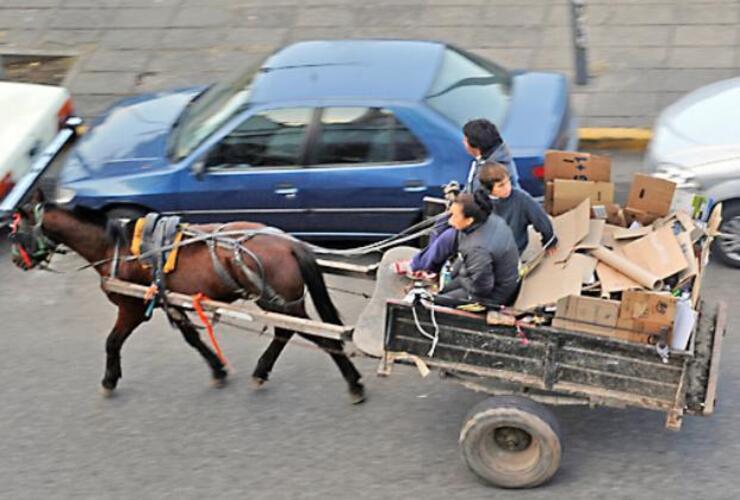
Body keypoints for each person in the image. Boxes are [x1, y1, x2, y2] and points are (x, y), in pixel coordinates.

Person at [437, 192, 520, 306]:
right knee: (445, 288)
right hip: (495, 275)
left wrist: (462, 277)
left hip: (494, 295)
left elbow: (482, 289)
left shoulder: (477, 248)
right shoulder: (491, 219)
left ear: (469, 220)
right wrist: (455, 274)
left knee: (438, 301)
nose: (450, 221)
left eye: (454, 216)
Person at [478, 161, 558, 254]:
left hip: (513, 250)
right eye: (501, 186)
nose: (507, 187)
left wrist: (549, 242)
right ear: (489, 189)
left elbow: (540, 219)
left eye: (508, 182)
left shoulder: (521, 199)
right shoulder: (480, 201)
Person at [462, 118, 520, 193]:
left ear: (476, 145)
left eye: (465, 140)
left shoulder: (495, 171)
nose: (463, 142)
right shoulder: (482, 161)